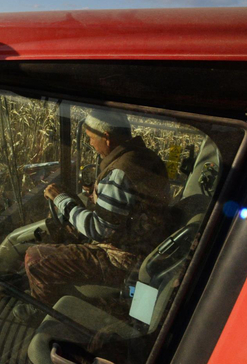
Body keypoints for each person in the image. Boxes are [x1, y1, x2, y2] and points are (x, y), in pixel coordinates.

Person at [21, 109, 171, 309]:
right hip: (144, 246)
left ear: (106, 137)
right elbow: (129, 205)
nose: (91, 144)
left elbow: (98, 230)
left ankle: (40, 311)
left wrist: (61, 199)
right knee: (60, 227)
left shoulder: (119, 172)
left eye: (91, 138)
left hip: (122, 260)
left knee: (35, 258)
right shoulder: (144, 157)